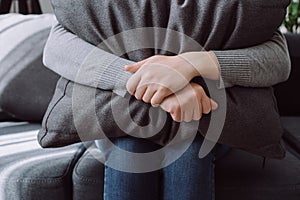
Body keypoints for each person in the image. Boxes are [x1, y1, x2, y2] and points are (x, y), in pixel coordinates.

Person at [43, 1, 291, 199]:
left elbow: (277, 58)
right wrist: (152, 82)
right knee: (129, 147)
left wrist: (189, 66)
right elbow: (58, 47)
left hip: (205, 114)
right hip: (122, 112)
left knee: (189, 149)